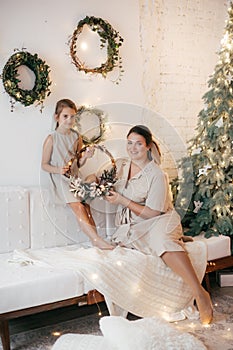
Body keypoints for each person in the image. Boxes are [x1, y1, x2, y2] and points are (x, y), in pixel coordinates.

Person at [105, 124, 213, 324]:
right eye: (129, 143)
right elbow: (97, 177)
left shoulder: (156, 175)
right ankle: (179, 240)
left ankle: (200, 293)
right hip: (134, 225)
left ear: (148, 146)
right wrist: (92, 180)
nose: (133, 148)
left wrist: (121, 200)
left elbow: (153, 212)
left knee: (162, 242)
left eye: (138, 143)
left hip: (158, 219)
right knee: (125, 246)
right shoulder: (120, 166)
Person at [41, 98, 113, 250]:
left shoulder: (76, 137)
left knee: (86, 207)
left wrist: (85, 157)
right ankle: (97, 240)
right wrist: (58, 170)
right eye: (65, 116)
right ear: (57, 117)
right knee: (78, 208)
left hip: (74, 179)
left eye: (72, 116)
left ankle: (96, 240)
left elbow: (77, 164)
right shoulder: (51, 139)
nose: (69, 120)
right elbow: (44, 165)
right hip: (59, 180)